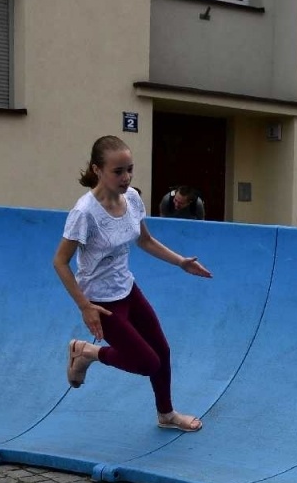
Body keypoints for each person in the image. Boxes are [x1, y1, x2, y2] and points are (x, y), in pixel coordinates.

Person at [55, 136, 214, 432]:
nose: (126, 177)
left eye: (129, 169)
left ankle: (166, 415)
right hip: (101, 303)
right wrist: (85, 306)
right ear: (97, 170)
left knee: (162, 352)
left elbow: (145, 240)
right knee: (146, 363)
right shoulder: (85, 213)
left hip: (128, 290)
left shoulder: (133, 200)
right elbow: (60, 262)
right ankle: (86, 352)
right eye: (118, 171)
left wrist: (181, 262)